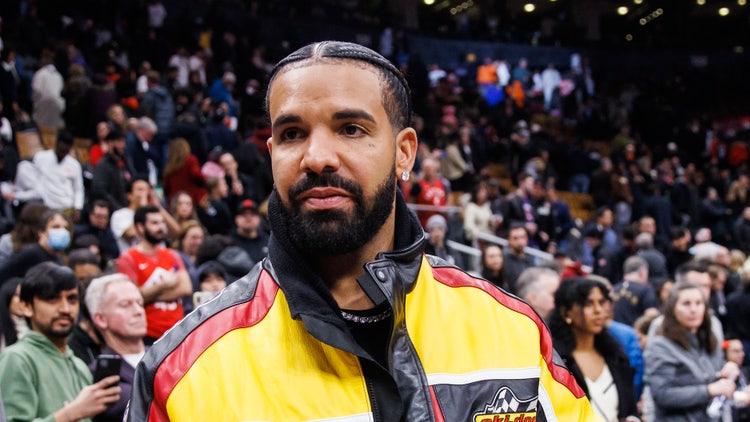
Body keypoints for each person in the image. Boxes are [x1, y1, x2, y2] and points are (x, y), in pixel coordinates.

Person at [126, 41, 596, 421]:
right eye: (292, 134)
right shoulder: (182, 371)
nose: (317, 158)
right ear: (271, 154)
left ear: (404, 152)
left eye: (350, 129)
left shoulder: (512, 330)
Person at [0, 262, 121, 421]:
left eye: (72, 299)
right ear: (26, 307)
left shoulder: (78, 365)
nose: (65, 309)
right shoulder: (17, 358)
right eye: (52, 299)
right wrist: (72, 412)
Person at [644, 281, 739, 421]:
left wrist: (727, 371)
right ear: (673, 308)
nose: (693, 309)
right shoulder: (660, 346)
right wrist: (708, 390)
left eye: (698, 303)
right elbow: (662, 394)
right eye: (686, 304)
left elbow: (714, 381)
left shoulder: (708, 339)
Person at [549, 276, 639, 422]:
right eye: (588, 304)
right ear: (566, 312)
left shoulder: (616, 356)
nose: (598, 310)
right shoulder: (555, 361)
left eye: (601, 302)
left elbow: (630, 408)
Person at [116, 205, 192, 342]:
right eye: (154, 223)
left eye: (162, 222)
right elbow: (133, 297)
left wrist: (148, 296)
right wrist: (164, 285)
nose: (161, 227)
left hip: (178, 331)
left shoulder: (172, 255)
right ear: (140, 227)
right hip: (148, 334)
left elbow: (186, 288)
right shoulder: (128, 258)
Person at [86, 273, 148, 422]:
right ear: (101, 319)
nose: (138, 311)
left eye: (140, 303)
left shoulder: (165, 356)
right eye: (125, 305)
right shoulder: (99, 376)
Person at [0, 209, 70, 282]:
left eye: (65, 228)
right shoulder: (29, 253)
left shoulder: (59, 258)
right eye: (56, 227)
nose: (62, 231)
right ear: (41, 232)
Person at [32, 129, 84, 221]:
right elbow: (32, 180)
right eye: (61, 149)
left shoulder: (75, 165)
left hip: (66, 208)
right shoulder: (41, 157)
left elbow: (78, 189)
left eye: (66, 151)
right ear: (56, 144)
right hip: (46, 207)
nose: (62, 153)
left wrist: (77, 207)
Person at [162, 137, 207, 207]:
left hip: (176, 202)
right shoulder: (190, 160)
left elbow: (166, 187)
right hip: (193, 199)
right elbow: (197, 175)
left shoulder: (169, 165)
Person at [228, 199, 269, 265]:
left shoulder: (268, 241)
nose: (248, 217)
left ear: (259, 219)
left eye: (253, 214)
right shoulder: (229, 242)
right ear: (236, 219)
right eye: (244, 214)